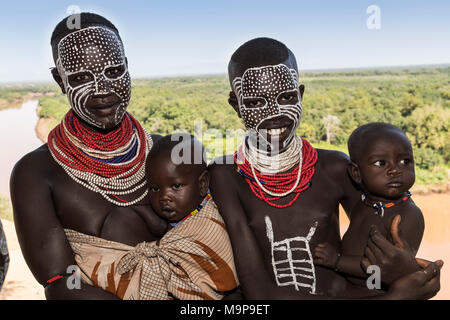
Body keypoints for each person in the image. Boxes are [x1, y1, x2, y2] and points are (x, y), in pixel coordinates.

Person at [208, 37, 442, 299]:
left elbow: (386, 231)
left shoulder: (334, 167)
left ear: (301, 95)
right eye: (254, 103)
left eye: (286, 97)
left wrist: (406, 269)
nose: (274, 113)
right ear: (236, 105)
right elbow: (259, 293)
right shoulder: (226, 175)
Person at [10, 13, 167, 299]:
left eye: (114, 72)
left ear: (128, 67)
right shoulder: (36, 173)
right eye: (81, 77)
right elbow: (60, 282)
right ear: (59, 80)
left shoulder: (163, 152)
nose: (101, 90)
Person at [62, 134, 239, 299]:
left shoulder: (209, 219)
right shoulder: (171, 220)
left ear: (202, 184)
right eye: (155, 189)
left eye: (176, 186)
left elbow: (220, 263)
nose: (164, 197)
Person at [313, 123, 425, 290]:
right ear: (356, 173)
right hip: (346, 287)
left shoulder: (407, 216)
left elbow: (385, 270)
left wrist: (336, 260)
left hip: (376, 292)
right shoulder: (365, 202)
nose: (395, 170)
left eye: (405, 161)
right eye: (381, 163)